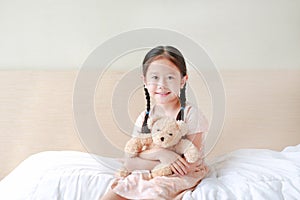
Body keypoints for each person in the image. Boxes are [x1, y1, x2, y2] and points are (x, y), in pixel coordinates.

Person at [101, 46, 209, 200]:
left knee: (155, 191)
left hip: (181, 175)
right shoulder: (145, 117)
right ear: (145, 81)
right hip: (151, 172)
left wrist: (146, 159)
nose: (162, 84)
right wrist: (162, 155)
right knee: (116, 192)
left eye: (170, 77)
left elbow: (188, 165)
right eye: (155, 77)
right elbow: (130, 161)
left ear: (183, 81)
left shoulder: (191, 115)